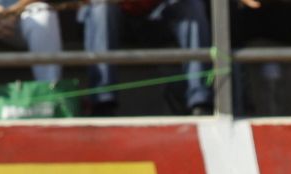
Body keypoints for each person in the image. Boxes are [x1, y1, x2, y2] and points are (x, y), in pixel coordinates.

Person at [79, 0, 212, 116]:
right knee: (100, 9)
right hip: (117, 17)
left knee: (192, 6)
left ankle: (200, 101)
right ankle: (102, 104)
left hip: (162, 13)